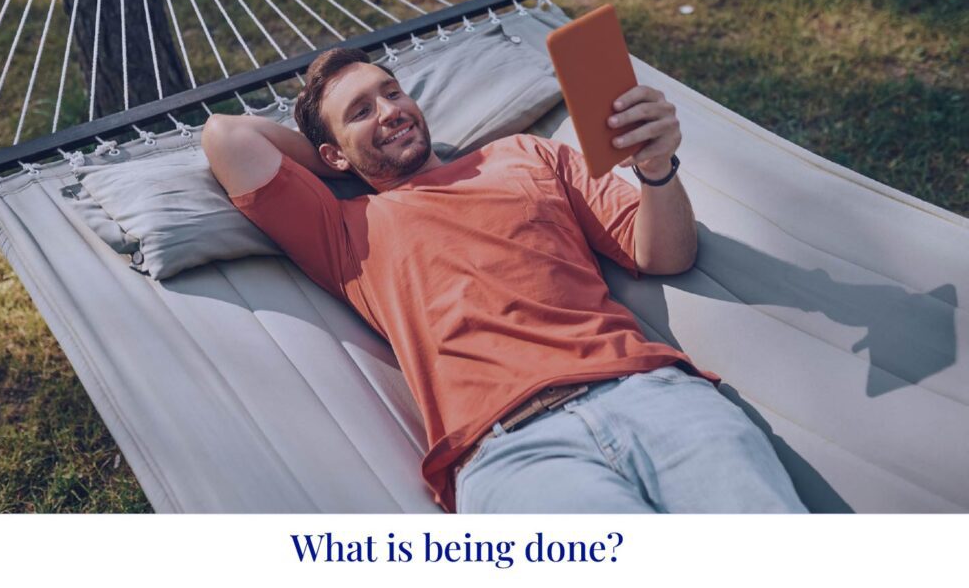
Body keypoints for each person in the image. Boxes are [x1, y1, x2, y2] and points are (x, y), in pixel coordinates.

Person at [201, 47, 807, 514]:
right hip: (512, 453)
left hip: (652, 395)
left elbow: (665, 255)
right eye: (362, 110)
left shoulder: (526, 155)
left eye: (393, 93)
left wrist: (656, 169)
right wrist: (341, 153)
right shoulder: (343, 231)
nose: (391, 111)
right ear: (330, 157)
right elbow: (227, 137)